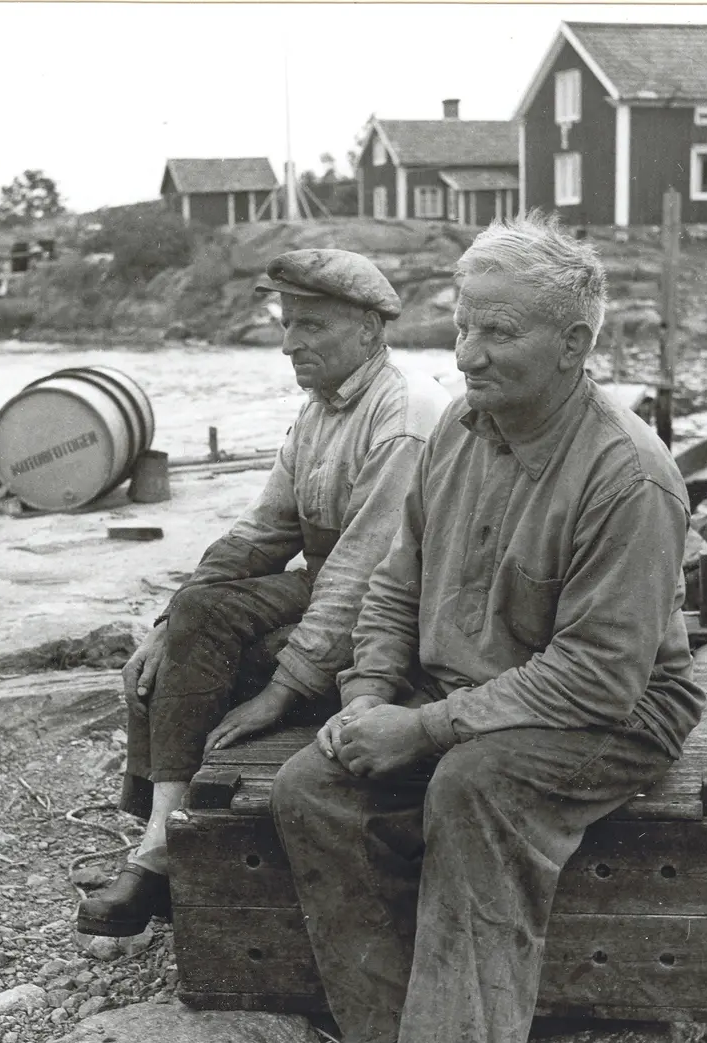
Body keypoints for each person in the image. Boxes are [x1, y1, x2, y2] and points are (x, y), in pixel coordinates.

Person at [270, 213, 707, 1043]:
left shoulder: (628, 476)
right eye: (462, 325)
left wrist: (424, 731)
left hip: (614, 708)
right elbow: (392, 587)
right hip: (468, 686)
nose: (466, 354)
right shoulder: (458, 434)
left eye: (499, 332)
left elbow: (598, 674)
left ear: (574, 346)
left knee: (478, 789)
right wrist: (364, 699)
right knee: (310, 783)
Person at [77, 249, 448, 940]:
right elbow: (262, 532)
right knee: (195, 619)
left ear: (369, 329)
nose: (287, 344)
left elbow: (364, 578)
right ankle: (160, 837)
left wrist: (283, 688)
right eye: (284, 324)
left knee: (236, 665)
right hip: (329, 586)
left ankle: (162, 850)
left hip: (404, 614)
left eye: (308, 325)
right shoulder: (319, 410)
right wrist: (169, 623)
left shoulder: (404, 416)